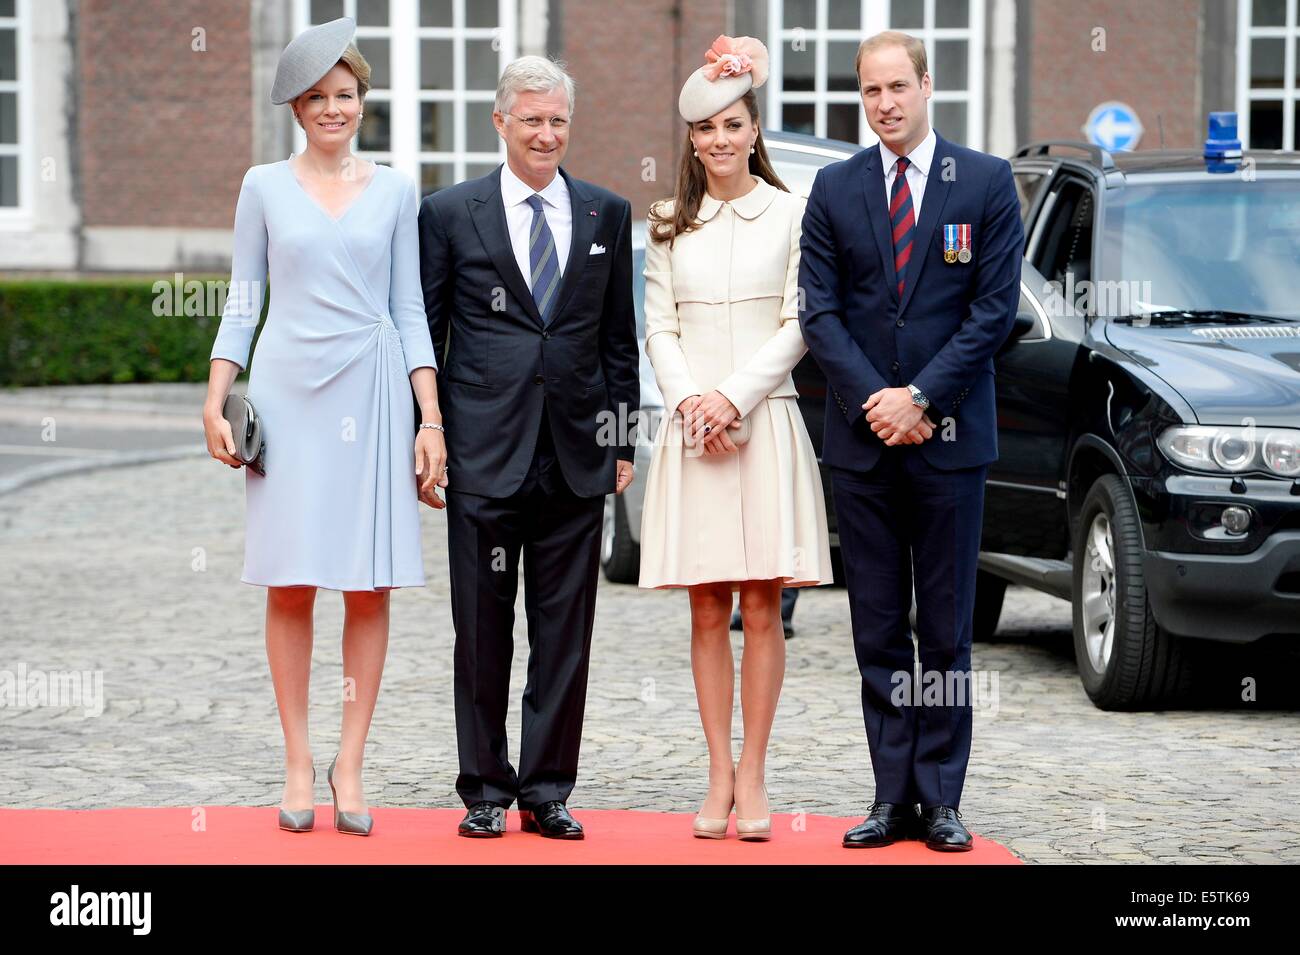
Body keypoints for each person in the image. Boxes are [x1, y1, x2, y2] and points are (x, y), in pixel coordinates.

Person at [203, 17, 447, 837]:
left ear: (361, 101)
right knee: (290, 577)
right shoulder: (261, 185)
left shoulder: (398, 189)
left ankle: (351, 758)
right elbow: (243, 299)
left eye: (345, 95)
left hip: (373, 393)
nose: (333, 109)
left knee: (368, 581)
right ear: (297, 109)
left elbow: (409, 305)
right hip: (288, 394)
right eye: (318, 98)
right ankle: (298, 757)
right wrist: (216, 392)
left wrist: (430, 417)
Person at [798, 31, 1023, 851]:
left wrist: (922, 396)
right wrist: (876, 401)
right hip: (863, 447)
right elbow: (818, 311)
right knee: (879, 626)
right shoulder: (833, 188)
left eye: (897, 87)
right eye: (870, 92)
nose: (884, 104)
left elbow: (993, 312)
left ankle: (943, 797)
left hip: (950, 443)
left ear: (927, 86)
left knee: (947, 628)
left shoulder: (989, 184)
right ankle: (892, 794)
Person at [417, 56, 639, 840]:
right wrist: (432, 430)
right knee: (481, 628)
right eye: (533, 119)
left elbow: (618, 338)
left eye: (559, 121)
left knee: (563, 631)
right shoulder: (448, 214)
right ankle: (484, 787)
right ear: (501, 122)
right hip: (484, 452)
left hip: (576, 453)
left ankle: (547, 789)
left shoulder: (606, 214)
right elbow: (430, 334)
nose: (546, 134)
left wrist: (622, 437)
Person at [638, 36, 833, 842]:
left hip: (765, 421)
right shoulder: (663, 224)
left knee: (762, 602)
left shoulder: (795, 213)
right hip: (695, 432)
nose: (719, 140)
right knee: (705, 605)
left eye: (733, 125)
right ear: (690, 140)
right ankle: (717, 770)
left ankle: (755, 771)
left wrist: (733, 398)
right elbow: (658, 327)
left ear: (755, 131)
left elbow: (801, 321)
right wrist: (693, 403)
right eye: (704, 129)